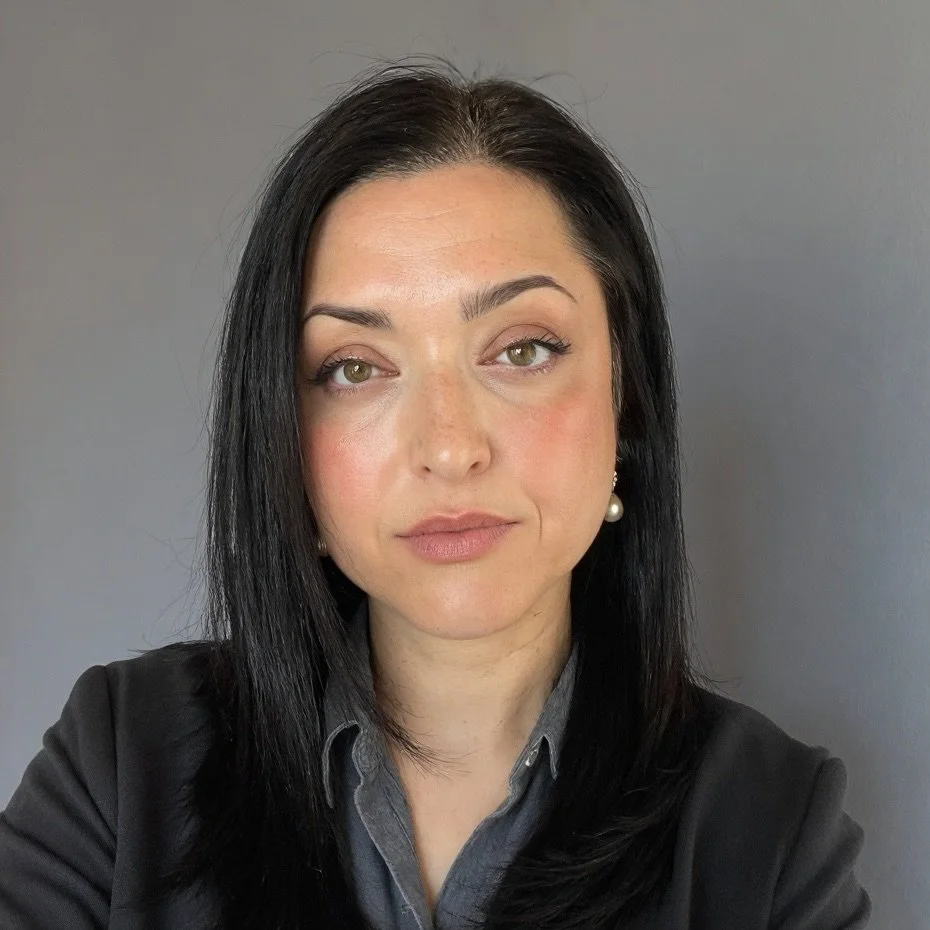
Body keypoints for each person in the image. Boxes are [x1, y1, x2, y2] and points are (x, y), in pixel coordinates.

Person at [0, 57, 871, 929]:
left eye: (521, 350)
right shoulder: (121, 765)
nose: (450, 447)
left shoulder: (772, 831)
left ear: (626, 398)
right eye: (355, 368)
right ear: (282, 435)